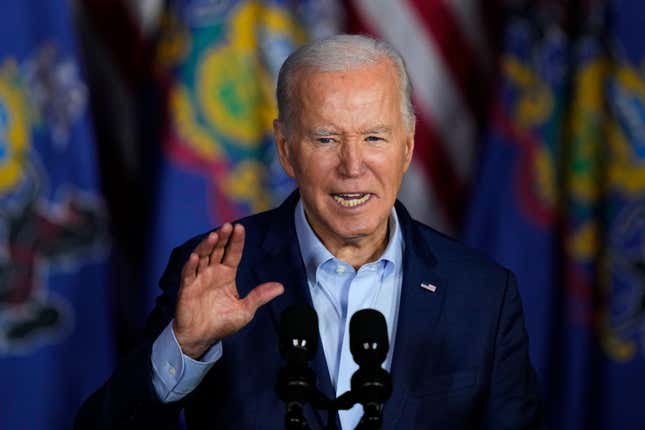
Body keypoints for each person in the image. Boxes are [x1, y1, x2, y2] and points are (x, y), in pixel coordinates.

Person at [76, 34, 544, 429]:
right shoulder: (216, 270)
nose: (353, 166)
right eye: (326, 139)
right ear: (285, 150)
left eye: (374, 138)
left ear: (408, 146)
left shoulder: (482, 294)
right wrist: (186, 347)